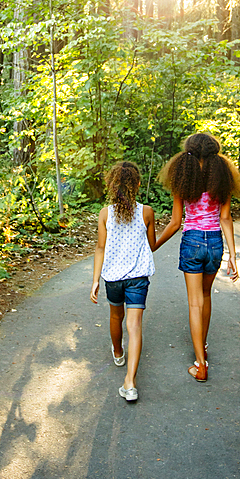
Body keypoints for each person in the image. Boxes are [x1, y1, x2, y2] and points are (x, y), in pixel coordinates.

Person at [153, 132, 240, 382]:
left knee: (194, 303)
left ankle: (200, 365)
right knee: (205, 296)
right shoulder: (221, 181)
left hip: (192, 242)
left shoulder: (184, 181)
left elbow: (174, 223)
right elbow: (225, 218)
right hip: (214, 243)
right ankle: (202, 348)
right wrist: (233, 256)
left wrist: (154, 246)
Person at [90, 162, 157, 403]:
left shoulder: (105, 213)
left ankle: (118, 353)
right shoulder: (146, 212)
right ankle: (130, 383)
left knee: (115, 316)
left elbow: (100, 248)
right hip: (138, 278)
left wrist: (95, 280)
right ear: (137, 185)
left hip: (113, 278)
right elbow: (151, 245)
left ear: (111, 186)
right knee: (135, 325)